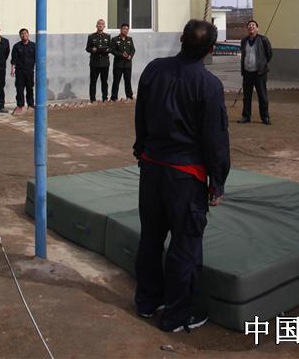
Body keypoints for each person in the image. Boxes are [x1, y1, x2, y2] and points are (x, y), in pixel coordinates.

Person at [133, 19, 230, 333]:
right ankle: (177, 315)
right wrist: (217, 181)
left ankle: (147, 301)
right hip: (184, 176)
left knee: (151, 237)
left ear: (181, 40)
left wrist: (141, 149)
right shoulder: (209, 85)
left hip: (152, 168)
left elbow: (141, 114)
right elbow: (215, 137)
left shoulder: (154, 69)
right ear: (211, 49)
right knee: (185, 245)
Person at [238, 19, 272, 125]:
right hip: (247, 73)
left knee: (262, 96)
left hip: (259, 73)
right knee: (246, 96)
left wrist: (262, 64)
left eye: (253, 25)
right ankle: (246, 116)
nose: (251, 26)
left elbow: (269, 54)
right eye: (249, 25)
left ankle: (265, 117)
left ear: (257, 28)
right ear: (247, 28)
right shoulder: (244, 41)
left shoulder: (263, 39)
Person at [86, 19, 111, 102]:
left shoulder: (107, 36)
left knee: (104, 82)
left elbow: (111, 48)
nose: (100, 25)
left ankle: (105, 98)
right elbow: (87, 48)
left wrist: (107, 50)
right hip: (94, 62)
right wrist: (92, 49)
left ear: (104, 26)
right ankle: (93, 99)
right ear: (96, 25)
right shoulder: (91, 36)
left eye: (102, 24)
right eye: (99, 24)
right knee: (93, 82)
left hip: (104, 63)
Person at [11, 28, 35, 110]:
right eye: (22, 34)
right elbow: (13, 59)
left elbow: (37, 58)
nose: (24, 35)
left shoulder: (34, 46)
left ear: (28, 34)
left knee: (30, 88)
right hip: (19, 71)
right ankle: (20, 105)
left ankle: (30, 105)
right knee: (19, 88)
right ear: (20, 35)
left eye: (25, 33)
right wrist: (12, 70)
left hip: (30, 71)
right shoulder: (16, 46)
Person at [110, 23, 136, 101]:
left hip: (127, 64)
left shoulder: (130, 39)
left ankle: (129, 96)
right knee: (116, 81)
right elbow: (112, 50)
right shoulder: (114, 39)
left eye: (127, 29)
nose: (125, 30)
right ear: (121, 29)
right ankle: (114, 97)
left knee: (127, 81)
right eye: (124, 29)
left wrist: (130, 56)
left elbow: (133, 49)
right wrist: (121, 55)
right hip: (118, 64)